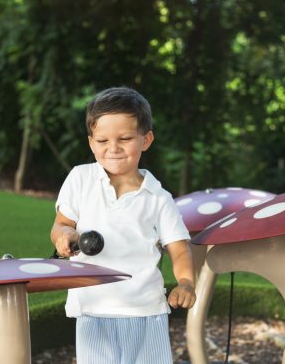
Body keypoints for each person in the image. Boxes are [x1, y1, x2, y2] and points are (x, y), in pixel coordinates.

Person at [50, 86, 196, 364]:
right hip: (92, 308)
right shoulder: (80, 179)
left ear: (146, 139)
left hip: (145, 310)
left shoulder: (159, 198)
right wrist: (64, 235)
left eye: (125, 138)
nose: (113, 148)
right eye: (102, 140)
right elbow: (61, 224)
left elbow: (178, 248)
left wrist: (186, 282)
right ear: (91, 142)